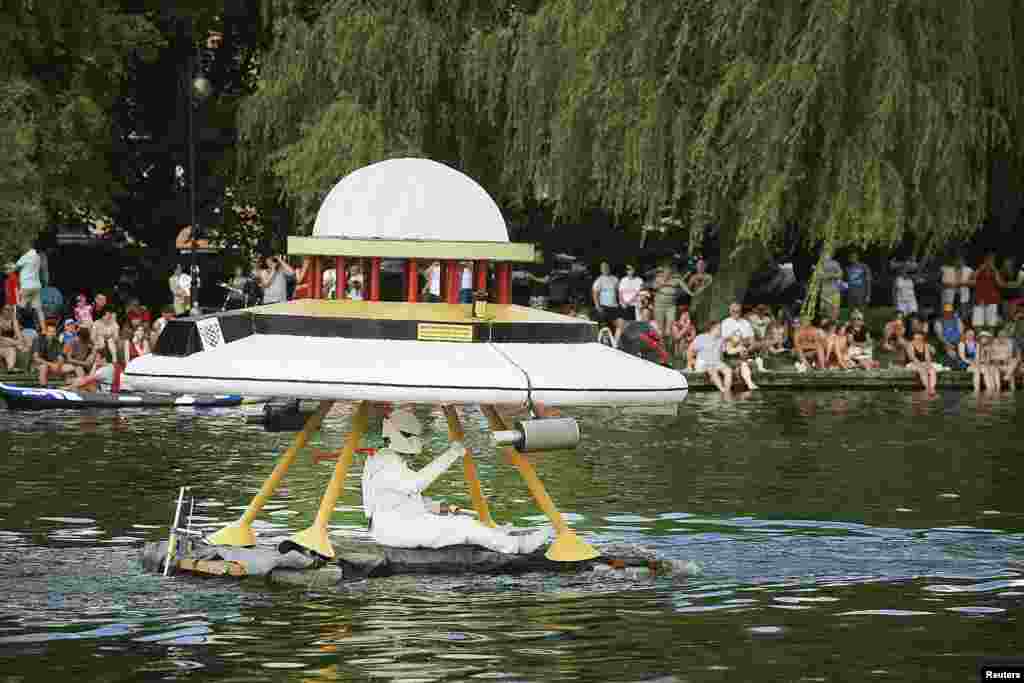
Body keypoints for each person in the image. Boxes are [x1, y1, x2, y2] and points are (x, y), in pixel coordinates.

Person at [361, 409, 551, 554]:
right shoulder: (386, 464)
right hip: (396, 531)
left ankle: (497, 536)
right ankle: (515, 547)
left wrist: (437, 507)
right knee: (464, 526)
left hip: (396, 526)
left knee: (461, 521)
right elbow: (415, 484)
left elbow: (400, 497)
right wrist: (451, 454)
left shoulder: (386, 460)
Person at [688, 321, 732, 394]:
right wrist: (690, 364)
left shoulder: (721, 340)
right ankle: (722, 390)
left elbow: (726, 351)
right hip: (704, 363)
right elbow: (690, 350)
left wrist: (732, 343)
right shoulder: (701, 337)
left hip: (716, 362)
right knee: (712, 370)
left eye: (721, 329)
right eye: (719, 328)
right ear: (712, 329)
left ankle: (727, 390)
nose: (721, 330)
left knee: (728, 370)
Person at [32, 321, 82, 386]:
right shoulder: (38, 340)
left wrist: (58, 365)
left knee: (78, 367)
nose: (52, 334)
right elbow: (36, 358)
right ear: (45, 332)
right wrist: (51, 364)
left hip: (53, 365)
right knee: (44, 367)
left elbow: (60, 356)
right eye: (50, 332)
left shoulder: (56, 341)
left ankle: (81, 386)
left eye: (54, 332)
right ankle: (44, 387)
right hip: (39, 365)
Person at [14, 238, 45, 331]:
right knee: (38, 309)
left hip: (26, 286)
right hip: (36, 286)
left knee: (18, 307)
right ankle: (43, 329)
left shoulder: (26, 256)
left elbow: (15, 267)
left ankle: (17, 329)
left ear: (27, 246)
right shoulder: (38, 256)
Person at [969, 253, 1005, 331]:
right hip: (979, 300)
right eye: (988, 259)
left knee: (991, 324)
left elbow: (1001, 284)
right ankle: (980, 341)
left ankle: (990, 341)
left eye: (992, 260)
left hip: (992, 300)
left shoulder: (995, 271)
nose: (990, 262)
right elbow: (972, 279)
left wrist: (995, 270)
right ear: (985, 260)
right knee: (977, 324)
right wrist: (980, 269)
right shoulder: (979, 270)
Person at [653, 261, 684, 336]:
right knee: (659, 329)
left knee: (669, 328)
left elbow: (682, 289)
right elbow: (654, 287)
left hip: (671, 305)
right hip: (659, 305)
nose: (667, 273)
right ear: (663, 271)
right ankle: (661, 345)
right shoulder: (658, 278)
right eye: (665, 271)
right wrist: (662, 283)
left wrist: (676, 293)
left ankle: (668, 343)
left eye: (669, 271)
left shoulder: (676, 279)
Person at [902, 329, 937, 394]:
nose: (918, 340)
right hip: (912, 363)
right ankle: (927, 388)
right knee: (922, 370)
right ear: (913, 338)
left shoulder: (925, 345)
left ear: (922, 338)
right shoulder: (910, 345)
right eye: (916, 338)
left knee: (932, 370)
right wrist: (921, 365)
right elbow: (912, 357)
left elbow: (927, 357)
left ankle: (932, 388)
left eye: (920, 338)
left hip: (923, 363)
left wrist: (928, 365)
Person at [817, 251, 843, 321]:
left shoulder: (835, 263)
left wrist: (829, 275)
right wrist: (831, 275)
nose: (824, 255)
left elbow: (840, 274)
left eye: (826, 253)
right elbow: (819, 276)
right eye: (822, 253)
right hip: (824, 292)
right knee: (824, 312)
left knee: (834, 311)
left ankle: (833, 325)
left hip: (834, 291)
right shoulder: (819, 264)